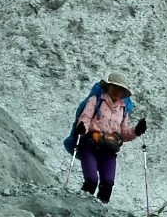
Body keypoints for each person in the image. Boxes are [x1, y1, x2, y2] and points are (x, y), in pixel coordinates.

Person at [63, 74, 147, 202]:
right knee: (91, 180)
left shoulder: (123, 109)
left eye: (120, 89)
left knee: (107, 184)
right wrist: (82, 127)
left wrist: (136, 130)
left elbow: (123, 133)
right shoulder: (95, 100)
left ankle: (99, 216)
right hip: (90, 145)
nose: (117, 91)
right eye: (115, 87)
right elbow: (85, 118)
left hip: (109, 150)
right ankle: (80, 207)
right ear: (108, 86)